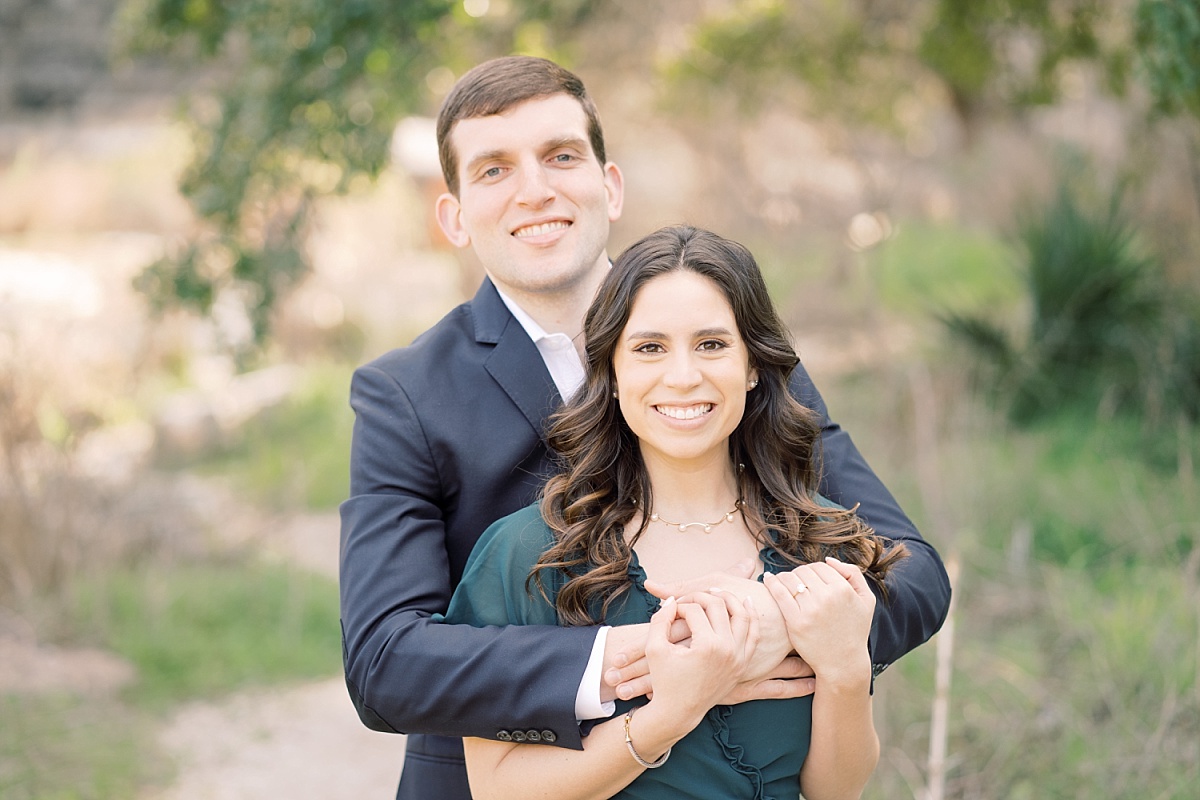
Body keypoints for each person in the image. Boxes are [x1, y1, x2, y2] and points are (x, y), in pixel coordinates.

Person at [339, 54, 950, 799]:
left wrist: (768, 632)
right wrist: (641, 659)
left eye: (561, 156)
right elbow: (384, 662)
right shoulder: (406, 394)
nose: (536, 189)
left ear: (610, 184)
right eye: (494, 169)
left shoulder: (719, 341)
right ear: (454, 215)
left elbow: (910, 571)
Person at [445, 224, 908, 799]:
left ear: (753, 365)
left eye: (712, 345)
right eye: (649, 348)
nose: (683, 377)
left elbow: (835, 792)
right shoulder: (526, 556)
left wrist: (844, 670)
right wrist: (673, 711)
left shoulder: (820, 541)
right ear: (612, 373)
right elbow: (497, 789)